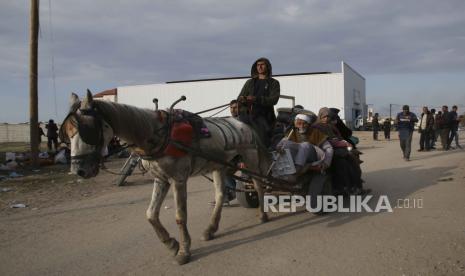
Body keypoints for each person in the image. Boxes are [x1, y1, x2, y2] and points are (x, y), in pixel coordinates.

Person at [276, 113, 333, 182]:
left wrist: (326, 163)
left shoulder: (315, 132)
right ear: (295, 124)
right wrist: (279, 148)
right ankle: (284, 170)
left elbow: (329, 148)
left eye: (304, 124)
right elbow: (281, 144)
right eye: (299, 124)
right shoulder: (292, 132)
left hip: (313, 156)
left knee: (305, 145)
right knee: (286, 143)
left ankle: (297, 170)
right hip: (298, 154)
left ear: (308, 124)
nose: (302, 126)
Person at [237, 57, 280, 148]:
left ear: (267, 67)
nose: (259, 67)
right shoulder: (250, 82)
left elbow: (274, 100)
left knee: (262, 143)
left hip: (265, 118)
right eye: (258, 65)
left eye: (262, 65)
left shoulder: (274, 83)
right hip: (248, 116)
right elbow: (239, 98)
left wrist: (256, 99)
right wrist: (243, 99)